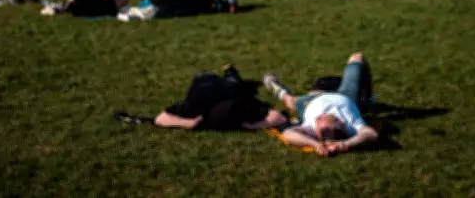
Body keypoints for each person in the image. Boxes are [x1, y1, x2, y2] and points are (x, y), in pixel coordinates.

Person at [263, 53, 379, 157]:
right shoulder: (351, 123)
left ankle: (278, 90)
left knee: (290, 102)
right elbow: (371, 133)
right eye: (324, 117)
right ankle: (368, 99)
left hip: (310, 102)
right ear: (340, 122)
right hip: (346, 96)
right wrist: (346, 144)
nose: (318, 117)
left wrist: (315, 144)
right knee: (357, 57)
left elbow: (288, 134)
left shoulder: (311, 128)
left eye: (318, 120)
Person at [153, 66, 288, 131]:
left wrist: (188, 124)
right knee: (233, 80)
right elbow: (279, 117)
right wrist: (249, 126)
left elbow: (160, 118)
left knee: (233, 80)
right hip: (211, 84)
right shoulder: (196, 104)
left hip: (211, 83)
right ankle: (229, 70)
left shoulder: (239, 104)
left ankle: (229, 71)